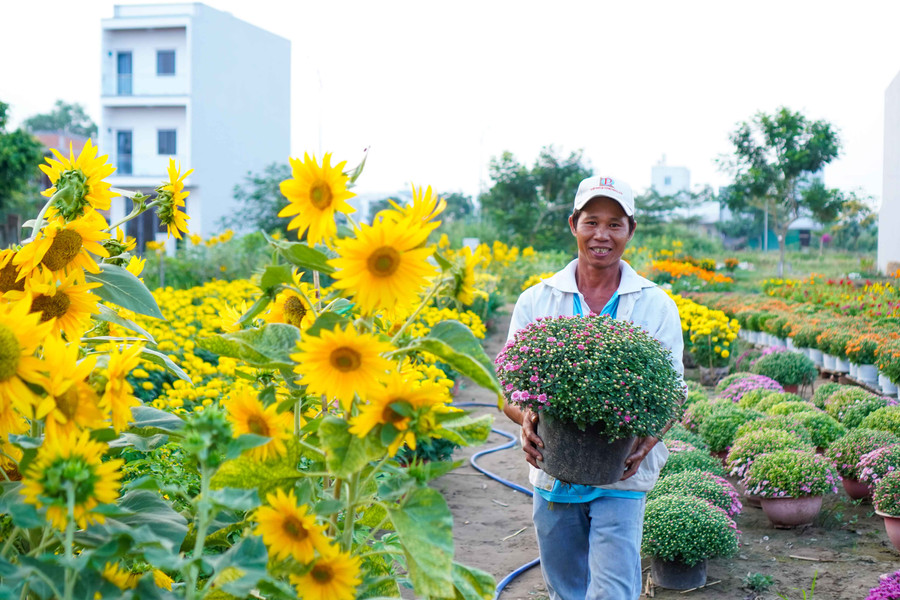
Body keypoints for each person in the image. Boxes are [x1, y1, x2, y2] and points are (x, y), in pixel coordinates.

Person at [502, 175, 684, 600]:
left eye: (615, 223)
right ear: (574, 225)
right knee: (564, 589)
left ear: (630, 231)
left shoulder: (655, 303)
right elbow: (511, 387)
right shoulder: (538, 299)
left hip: (622, 474)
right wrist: (527, 417)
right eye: (592, 222)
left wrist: (648, 439)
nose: (602, 235)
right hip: (553, 471)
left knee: (615, 591)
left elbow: (674, 391)